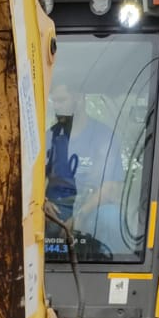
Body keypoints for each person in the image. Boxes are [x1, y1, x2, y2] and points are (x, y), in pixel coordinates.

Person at [45, 81, 125, 255]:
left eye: (61, 100)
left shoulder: (103, 137)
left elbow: (110, 187)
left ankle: (113, 271)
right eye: (53, 102)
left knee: (111, 218)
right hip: (56, 209)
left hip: (92, 207)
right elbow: (31, 181)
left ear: (79, 99)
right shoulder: (49, 137)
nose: (56, 107)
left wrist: (80, 216)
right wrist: (42, 202)